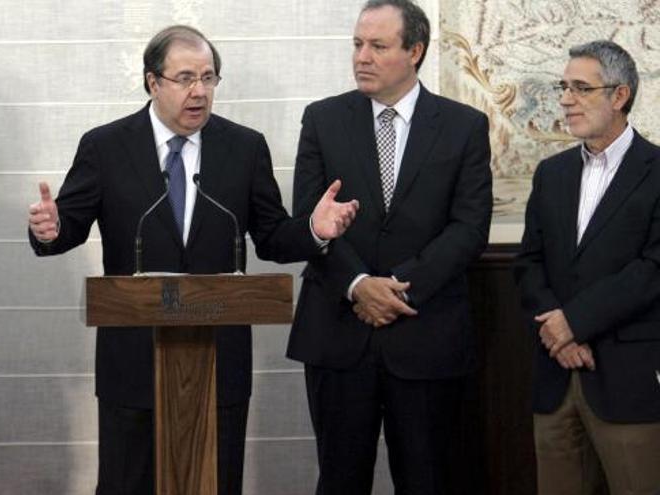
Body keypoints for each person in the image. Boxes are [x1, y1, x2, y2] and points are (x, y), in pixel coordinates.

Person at [27, 24, 359, 495]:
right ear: (152, 82)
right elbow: (69, 225)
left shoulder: (244, 148)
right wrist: (50, 229)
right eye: (184, 78)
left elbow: (269, 237)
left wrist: (312, 230)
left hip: (219, 363)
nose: (199, 91)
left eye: (208, 78)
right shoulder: (105, 146)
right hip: (133, 364)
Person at [286, 1, 493, 493]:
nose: (362, 56)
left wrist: (396, 291)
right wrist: (358, 285)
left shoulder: (463, 126)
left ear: (415, 51)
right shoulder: (323, 119)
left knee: (428, 479)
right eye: (358, 44)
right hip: (338, 332)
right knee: (339, 479)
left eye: (378, 46)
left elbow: (468, 229)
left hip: (425, 333)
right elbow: (308, 221)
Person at [515, 40, 660, 495]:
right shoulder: (551, 173)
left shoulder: (656, 170)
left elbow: (652, 270)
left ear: (619, 96)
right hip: (556, 376)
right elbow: (529, 263)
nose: (564, 100)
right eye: (564, 87)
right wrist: (559, 335)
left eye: (581, 88)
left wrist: (573, 323)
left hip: (627, 381)